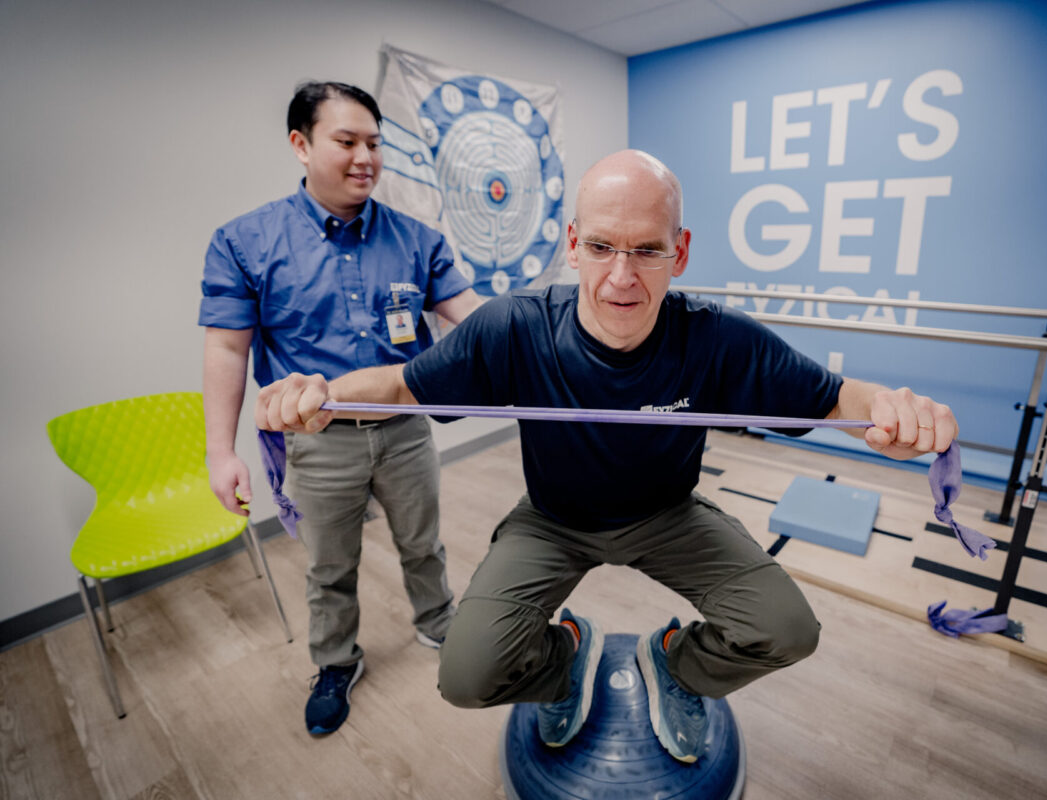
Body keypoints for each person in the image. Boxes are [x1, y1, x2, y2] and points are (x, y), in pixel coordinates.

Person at [254, 149, 958, 762]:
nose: (622, 276)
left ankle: (676, 666)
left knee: (787, 631)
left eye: (647, 250)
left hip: (667, 516)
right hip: (553, 521)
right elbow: (401, 385)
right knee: (466, 677)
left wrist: (896, 409)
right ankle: (564, 660)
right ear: (573, 245)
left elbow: (835, 399)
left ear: (679, 252)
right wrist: (323, 391)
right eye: (602, 248)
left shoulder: (716, 339)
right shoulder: (514, 328)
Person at [199, 81, 483, 737]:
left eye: (375, 143)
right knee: (330, 568)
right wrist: (220, 451)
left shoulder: (417, 239)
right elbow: (226, 348)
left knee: (424, 544)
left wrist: (539, 342)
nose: (366, 158)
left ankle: (440, 624)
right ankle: (334, 663)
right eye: (347, 141)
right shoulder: (246, 243)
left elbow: (469, 319)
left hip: (407, 431)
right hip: (319, 442)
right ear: (300, 144)